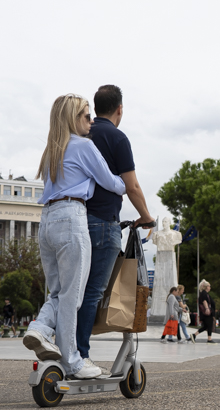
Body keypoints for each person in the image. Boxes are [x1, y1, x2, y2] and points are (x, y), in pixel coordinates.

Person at [23, 94, 126, 380]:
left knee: (57, 292)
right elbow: (114, 184)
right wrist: (121, 181)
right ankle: (72, 361)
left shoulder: (52, 150)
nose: (91, 122)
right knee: (73, 296)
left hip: (47, 222)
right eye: (85, 116)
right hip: (71, 217)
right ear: (72, 119)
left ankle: (39, 329)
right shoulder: (84, 146)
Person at [76, 85, 156, 369]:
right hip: (102, 223)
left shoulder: (81, 133)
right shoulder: (117, 138)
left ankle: (62, 346)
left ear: (95, 108)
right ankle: (81, 356)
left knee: (73, 288)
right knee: (94, 291)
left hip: (74, 220)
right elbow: (131, 186)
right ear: (120, 109)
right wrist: (146, 216)